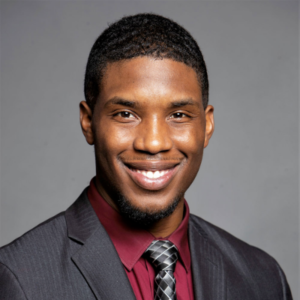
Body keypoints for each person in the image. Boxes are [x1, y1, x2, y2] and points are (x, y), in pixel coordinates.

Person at [0, 13, 292, 300]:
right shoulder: (19, 278)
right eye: (126, 114)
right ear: (88, 122)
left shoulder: (263, 279)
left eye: (178, 115)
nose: (153, 143)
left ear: (207, 126)